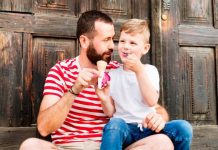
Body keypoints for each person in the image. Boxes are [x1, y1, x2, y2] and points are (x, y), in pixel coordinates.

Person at [19, 10, 174, 150]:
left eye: (113, 39)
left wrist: (158, 118)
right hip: (68, 147)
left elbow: (153, 106)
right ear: (85, 41)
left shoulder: (118, 70)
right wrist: (74, 90)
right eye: (106, 39)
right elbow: (44, 128)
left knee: (162, 142)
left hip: (112, 146)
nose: (112, 46)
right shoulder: (61, 71)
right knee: (31, 146)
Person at [96, 19, 193, 150]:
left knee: (183, 127)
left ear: (145, 48)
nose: (126, 46)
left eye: (133, 43)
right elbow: (110, 112)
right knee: (114, 124)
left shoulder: (149, 70)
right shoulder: (113, 74)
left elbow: (151, 101)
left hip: (148, 127)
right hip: (125, 129)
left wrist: (139, 71)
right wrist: (103, 98)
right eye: (122, 41)